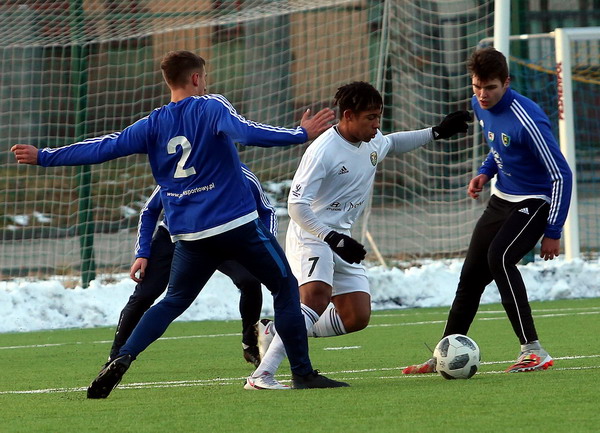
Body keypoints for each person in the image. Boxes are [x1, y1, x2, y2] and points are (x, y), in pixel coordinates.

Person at [12, 50, 347, 397]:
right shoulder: (211, 106)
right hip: (235, 225)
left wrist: (44, 156)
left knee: (172, 301)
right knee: (285, 287)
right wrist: (299, 133)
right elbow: (247, 133)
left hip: (188, 234)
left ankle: (124, 355)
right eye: (205, 77)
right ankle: (302, 373)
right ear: (197, 78)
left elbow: (104, 147)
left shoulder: (152, 123)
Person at [244, 81, 471, 390]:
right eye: (370, 117)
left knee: (356, 316)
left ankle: (276, 331)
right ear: (348, 116)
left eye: (379, 116)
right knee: (316, 297)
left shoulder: (372, 141)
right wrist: (330, 237)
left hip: (342, 238)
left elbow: (393, 142)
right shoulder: (322, 151)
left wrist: (436, 132)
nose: (376, 125)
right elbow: (296, 206)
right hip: (312, 234)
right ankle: (262, 376)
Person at [402, 47, 572, 375]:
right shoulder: (479, 105)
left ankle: (534, 350)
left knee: (500, 258)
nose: (482, 94)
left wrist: (553, 230)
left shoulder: (529, 119)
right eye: (477, 86)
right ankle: (443, 353)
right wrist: (484, 172)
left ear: (506, 83)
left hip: (535, 201)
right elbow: (499, 148)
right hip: (501, 199)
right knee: (470, 277)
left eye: (490, 87)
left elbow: (561, 174)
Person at [107, 162, 275, 370]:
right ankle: (115, 358)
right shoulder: (180, 171)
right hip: (174, 236)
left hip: (219, 237)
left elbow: (267, 210)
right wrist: (142, 252)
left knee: (249, 279)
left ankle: (250, 343)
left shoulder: (239, 174)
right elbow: (149, 210)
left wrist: (265, 247)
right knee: (145, 294)